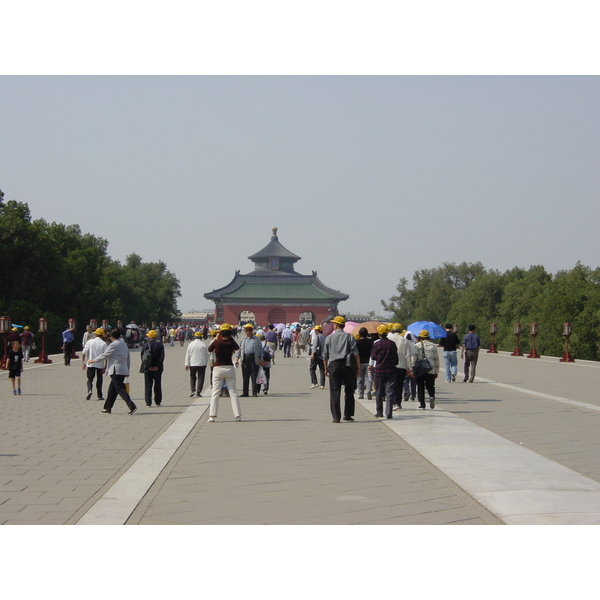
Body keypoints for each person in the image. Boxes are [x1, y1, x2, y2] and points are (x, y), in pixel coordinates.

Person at [88, 329, 137, 415]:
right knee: (112, 390)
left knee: (120, 389)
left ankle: (131, 406)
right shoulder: (123, 343)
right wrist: (127, 370)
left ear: (112, 336)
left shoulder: (113, 344)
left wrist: (94, 360)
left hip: (116, 370)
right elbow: (128, 357)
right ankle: (107, 408)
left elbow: (105, 355)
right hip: (122, 369)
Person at [323, 316, 360, 423]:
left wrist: (326, 368)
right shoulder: (349, 337)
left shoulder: (329, 337)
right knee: (349, 390)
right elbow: (356, 353)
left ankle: (336, 416)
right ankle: (348, 414)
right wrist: (358, 368)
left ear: (335, 325)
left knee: (335, 391)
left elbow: (325, 355)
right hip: (348, 366)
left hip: (334, 365)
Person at [207, 323, 241, 422]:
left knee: (215, 393)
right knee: (233, 393)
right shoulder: (231, 342)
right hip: (229, 368)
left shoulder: (217, 342)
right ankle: (237, 415)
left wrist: (216, 338)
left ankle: (212, 416)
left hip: (218, 368)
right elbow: (237, 347)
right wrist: (230, 337)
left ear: (221, 332)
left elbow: (209, 349)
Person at [369, 325, 399, 419]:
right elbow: (396, 358)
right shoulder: (392, 344)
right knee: (390, 392)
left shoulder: (376, 344)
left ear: (379, 333)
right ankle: (389, 413)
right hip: (391, 370)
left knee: (379, 391)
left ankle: (379, 412)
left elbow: (373, 357)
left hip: (379, 371)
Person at [412, 330, 440, 409]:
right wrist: (436, 371)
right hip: (430, 368)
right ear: (428, 337)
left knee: (420, 386)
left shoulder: (416, 345)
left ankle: (422, 403)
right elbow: (436, 359)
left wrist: (412, 369)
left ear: (420, 337)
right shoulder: (433, 346)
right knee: (430, 385)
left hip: (420, 369)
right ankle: (431, 396)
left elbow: (414, 357)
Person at [388, 323, 413, 410]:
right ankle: (397, 403)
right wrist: (409, 368)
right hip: (402, 365)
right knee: (399, 385)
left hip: (391, 365)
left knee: (391, 385)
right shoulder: (404, 340)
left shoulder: (389, 339)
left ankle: (391, 402)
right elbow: (408, 355)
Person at [139, 329, 165, 407]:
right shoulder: (160, 345)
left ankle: (148, 402)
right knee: (157, 385)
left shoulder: (145, 345)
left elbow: (142, 357)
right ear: (156, 337)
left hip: (147, 368)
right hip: (158, 369)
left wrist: (148, 366)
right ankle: (158, 401)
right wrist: (156, 366)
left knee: (148, 385)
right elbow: (162, 357)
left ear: (149, 337)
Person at [82, 328, 108, 400]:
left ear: (96, 334)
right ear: (102, 335)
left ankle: (90, 390)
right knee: (99, 379)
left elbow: (84, 353)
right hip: (100, 364)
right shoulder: (103, 343)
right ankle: (99, 395)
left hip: (90, 364)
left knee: (90, 379)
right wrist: (105, 366)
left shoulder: (90, 342)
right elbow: (106, 356)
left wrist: (83, 362)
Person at [238, 323, 263, 397]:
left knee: (254, 375)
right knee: (245, 376)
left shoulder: (256, 339)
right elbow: (239, 349)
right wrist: (237, 358)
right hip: (245, 358)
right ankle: (245, 392)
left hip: (254, 358)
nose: (248, 332)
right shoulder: (243, 339)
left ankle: (254, 392)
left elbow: (260, 349)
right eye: (247, 331)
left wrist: (261, 358)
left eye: (250, 330)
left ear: (252, 331)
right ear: (245, 331)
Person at [185, 330, 209, 397]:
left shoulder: (191, 344)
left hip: (193, 363)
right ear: (201, 337)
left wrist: (187, 364)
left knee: (192, 377)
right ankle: (198, 392)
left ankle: (192, 390)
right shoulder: (204, 344)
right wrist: (206, 363)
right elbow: (207, 355)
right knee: (201, 378)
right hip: (202, 363)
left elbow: (188, 354)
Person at [355, 327, 374, 400]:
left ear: (359, 334)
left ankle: (360, 394)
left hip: (360, 362)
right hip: (369, 362)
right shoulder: (371, 342)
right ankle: (369, 390)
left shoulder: (357, 342)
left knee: (360, 379)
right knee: (368, 378)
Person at [309, 325, 326, 389]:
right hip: (322, 356)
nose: (315, 331)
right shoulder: (324, 337)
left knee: (312, 369)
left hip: (316, 356)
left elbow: (315, 346)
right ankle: (322, 384)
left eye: (315, 330)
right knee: (322, 370)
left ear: (318, 331)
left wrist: (312, 354)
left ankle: (315, 383)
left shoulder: (317, 337)